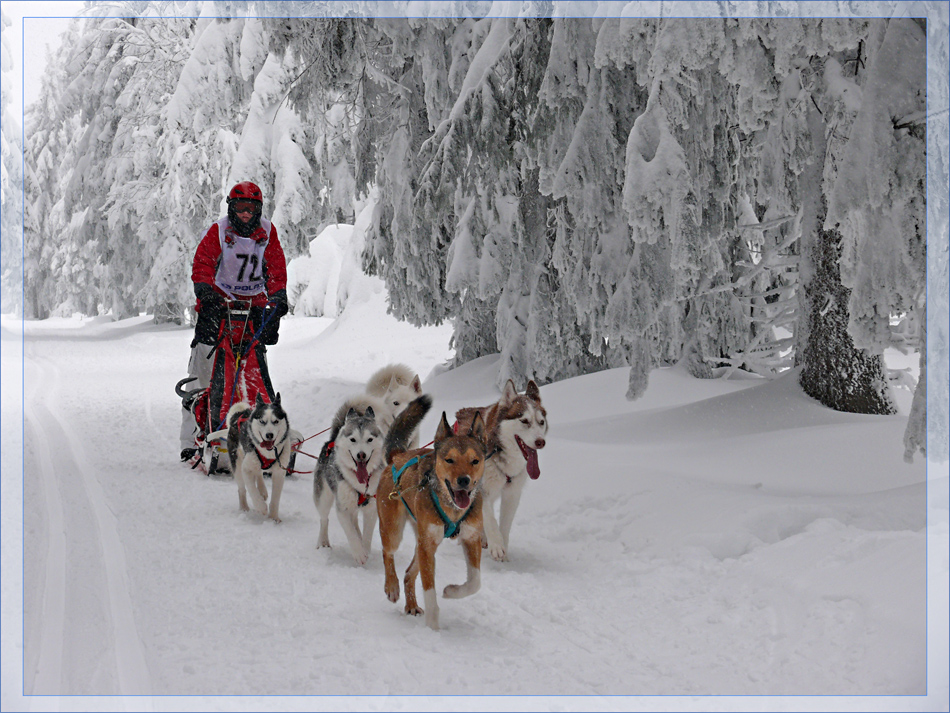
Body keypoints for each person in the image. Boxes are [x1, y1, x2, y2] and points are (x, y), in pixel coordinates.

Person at [179, 181, 289, 461]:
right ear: (231, 207)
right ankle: (190, 438)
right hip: (219, 304)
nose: (244, 213)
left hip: (253, 307)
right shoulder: (219, 231)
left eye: (250, 208)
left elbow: (276, 268)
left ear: (258, 209)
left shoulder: (267, 232)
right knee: (204, 368)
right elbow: (203, 263)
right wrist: (204, 290)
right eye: (239, 207)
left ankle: (259, 428)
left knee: (253, 370)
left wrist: (277, 299)